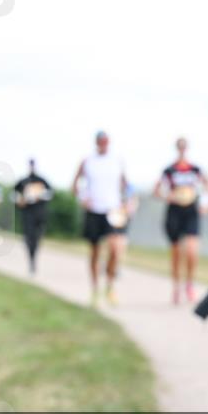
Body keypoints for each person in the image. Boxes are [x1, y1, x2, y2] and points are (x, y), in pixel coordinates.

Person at [73, 130, 128, 307]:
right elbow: (75, 185)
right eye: (100, 141)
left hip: (112, 210)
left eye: (105, 141)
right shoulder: (87, 161)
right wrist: (82, 199)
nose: (103, 144)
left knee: (115, 249)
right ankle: (95, 289)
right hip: (94, 210)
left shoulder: (117, 160)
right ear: (96, 142)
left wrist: (128, 202)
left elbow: (126, 185)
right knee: (95, 252)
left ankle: (110, 286)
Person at [154, 138, 208, 304]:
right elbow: (157, 190)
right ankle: (176, 286)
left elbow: (207, 185)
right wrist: (168, 196)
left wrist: (205, 203)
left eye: (184, 147)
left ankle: (189, 284)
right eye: (180, 148)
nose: (182, 150)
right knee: (176, 252)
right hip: (175, 211)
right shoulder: (169, 170)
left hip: (191, 210)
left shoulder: (195, 169)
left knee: (192, 250)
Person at [14, 159, 52, 275]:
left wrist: (39, 196)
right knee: (28, 238)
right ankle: (31, 261)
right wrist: (20, 201)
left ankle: (33, 257)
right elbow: (14, 195)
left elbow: (50, 194)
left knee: (37, 238)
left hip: (39, 214)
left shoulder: (42, 180)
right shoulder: (22, 181)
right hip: (27, 214)